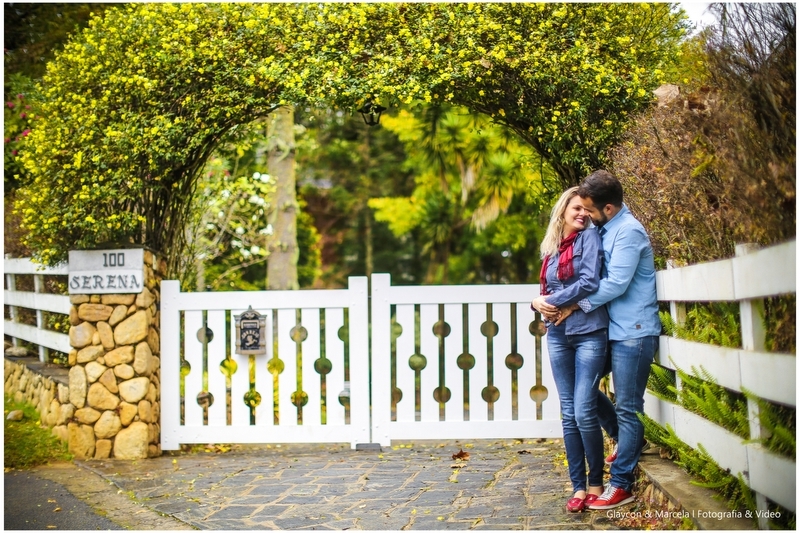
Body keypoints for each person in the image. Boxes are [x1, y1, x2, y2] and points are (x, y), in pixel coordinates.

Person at [542, 170, 661, 510]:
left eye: (591, 209)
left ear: (607, 208)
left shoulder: (628, 232)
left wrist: (572, 305)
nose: (587, 216)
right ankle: (626, 442)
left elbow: (615, 284)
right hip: (613, 330)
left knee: (627, 405)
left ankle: (620, 483)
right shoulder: (606, 230)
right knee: (584, 393)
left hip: (633, 332)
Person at [530, 186, 609, 513]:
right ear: (563, 209)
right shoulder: (550, 246)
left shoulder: (589, 239)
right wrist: (537, 303)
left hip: (590, 331)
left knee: (583, 410)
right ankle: (577, 485)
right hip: (558, 335)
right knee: (568, 412)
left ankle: (596, 482)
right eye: (576, 208)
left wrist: (552, 302)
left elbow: (589, 282)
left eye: (587, 210)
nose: (582, 214)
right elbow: (546, 290)